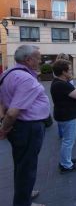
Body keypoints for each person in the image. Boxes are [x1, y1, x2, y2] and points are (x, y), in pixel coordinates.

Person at [0, 45, 50, 206]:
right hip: (28, 128)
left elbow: (3, 102)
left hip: (21, 128)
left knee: (22, 165)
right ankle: (23, 202)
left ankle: (25, 193)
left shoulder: (8, 73)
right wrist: (4, 128)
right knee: (27, 168)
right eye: (38, 57)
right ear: (28, 60)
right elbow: (12, 112)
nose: (41, 60)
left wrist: (5, 124)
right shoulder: (26, 79)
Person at [51, 59, 76, 173]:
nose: (71, 72)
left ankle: (66, 160)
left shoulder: (59, 83)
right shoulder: (61, 84)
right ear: (64, 72)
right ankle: (66, 165)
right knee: (68, 141)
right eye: (69, 70)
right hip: (67, 116)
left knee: (67, 140)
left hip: (65, 115)